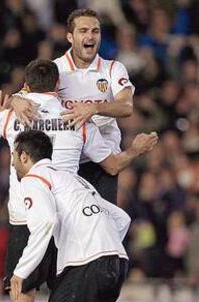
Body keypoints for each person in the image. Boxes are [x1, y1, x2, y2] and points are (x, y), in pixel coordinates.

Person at [0, 59, 157, 302]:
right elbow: (113, 165)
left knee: (23, 289)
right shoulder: (77, 118)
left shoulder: (13, 116)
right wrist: (135, 150)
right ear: (57, 84)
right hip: (68, 220)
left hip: (26, 215)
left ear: (26, 85)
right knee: (65, 289)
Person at [11, 9, 135, 204]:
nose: (90, 36)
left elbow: (126, 106)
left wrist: (94, 108)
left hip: (104, 160)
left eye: (95, 31)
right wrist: (15, 100)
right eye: (83, 31)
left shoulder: (113, 68)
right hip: (67, 163)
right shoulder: (56, 69)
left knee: (102, 226)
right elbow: (22, 96)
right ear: (70, 36)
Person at [10, 130, 131, 302]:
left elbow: (46, 221)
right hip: (117, 264)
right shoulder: (74, 179)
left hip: (86, 264)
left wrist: (21, 271)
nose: (13, 164)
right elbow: (121, 218)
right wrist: (105, 247)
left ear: (24, 156)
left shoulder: (34, 178)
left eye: (13, 156)